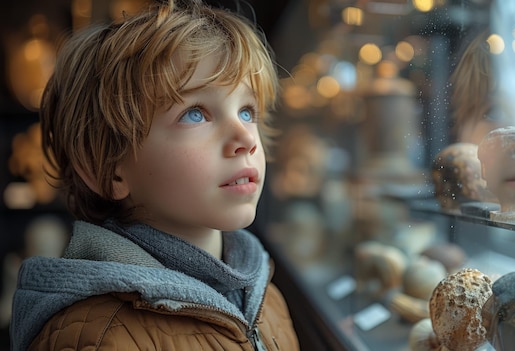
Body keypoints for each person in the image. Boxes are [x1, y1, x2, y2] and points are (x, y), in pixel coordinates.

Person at [10, 0, 301, 350]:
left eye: (246, 111)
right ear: (109, 171)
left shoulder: (264, 293)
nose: (244, 139)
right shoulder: (100, 338)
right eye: (195, 114)